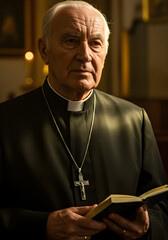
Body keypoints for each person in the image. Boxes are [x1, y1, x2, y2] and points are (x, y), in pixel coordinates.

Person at [0, 1, 168, 239]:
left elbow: (162, 205)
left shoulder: (134, 119)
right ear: (44, 50)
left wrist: (148, 228)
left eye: (96, 43)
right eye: (71, 41)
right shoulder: (6, 121)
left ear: (106, 52)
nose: (85, 55)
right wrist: (42, 225)